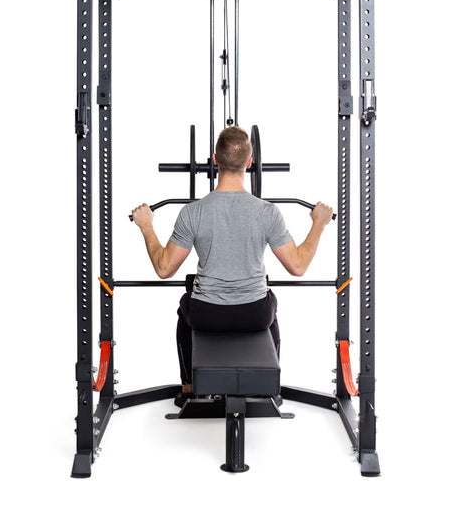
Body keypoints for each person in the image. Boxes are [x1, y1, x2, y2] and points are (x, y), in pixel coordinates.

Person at [131, 126, 334, 398]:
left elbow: (164, 268)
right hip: (255, 315)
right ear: (251, 163)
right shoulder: (267, 212)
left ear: (214, 160)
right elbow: (297, 266)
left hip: (207, 314)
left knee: (184, 310)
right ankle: (269, 392)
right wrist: (318, 225)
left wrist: (146, 226)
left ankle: (190, 387)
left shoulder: (192, 212)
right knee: (270, 306)